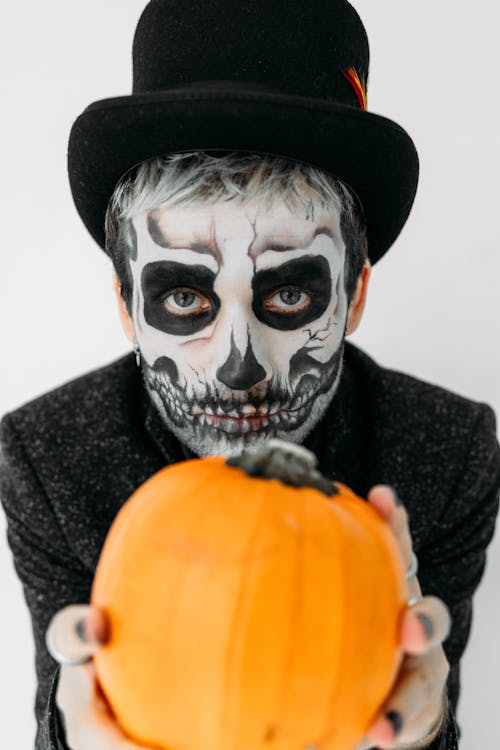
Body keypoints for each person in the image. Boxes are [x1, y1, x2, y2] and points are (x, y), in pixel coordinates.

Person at [0, 1, 498, 749]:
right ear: (127, 306)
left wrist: (419, 731)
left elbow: (433, 707)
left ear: (355, 293)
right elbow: (68, 707)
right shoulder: (46, 457)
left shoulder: (452, 451)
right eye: (184, 295)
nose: (240, 367)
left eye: (290, 293)